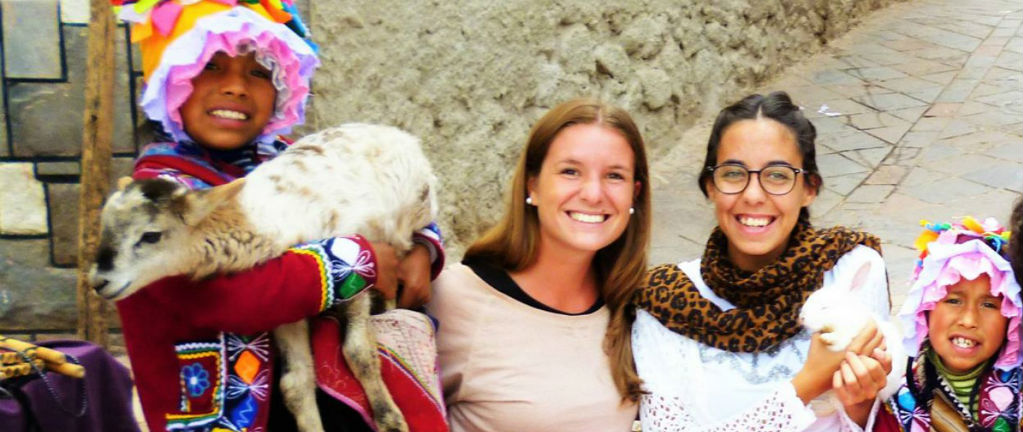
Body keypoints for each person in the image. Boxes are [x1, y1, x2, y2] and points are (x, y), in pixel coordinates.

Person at [108, 1, 444, 430]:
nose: (236, 87)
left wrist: (420, 247)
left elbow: (370, 195)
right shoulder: (155, 202)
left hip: (321, 399)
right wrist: (362, 261)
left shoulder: (290, 164)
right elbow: (233, 297)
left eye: (259, 72)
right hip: (224, 417)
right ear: (168, 78)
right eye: (210, 66)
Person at [632, 91, 894, 431]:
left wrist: (860, 402)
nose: (753, 195)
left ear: (809, 188)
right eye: (733, 173)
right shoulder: (663, 300)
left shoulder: (852, 268)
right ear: (710, 186)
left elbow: (868, 418)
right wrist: (808, 384)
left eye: (777, 175)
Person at [426, 98, 650, 431]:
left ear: (634, 194)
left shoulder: (638, 306)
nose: (593, 193)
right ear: (533, 184)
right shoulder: (451, 297)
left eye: (614, 176)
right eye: (570, 171)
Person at [873, 216, 1021, 431]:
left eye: (989, 305)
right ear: (925, 309)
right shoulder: (899, 405)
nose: (969, 320)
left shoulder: (1018, 396)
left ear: (1011, 319)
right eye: (953, 301)